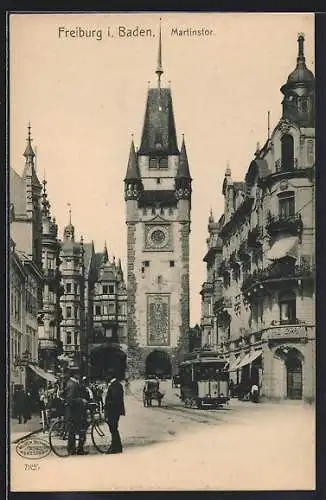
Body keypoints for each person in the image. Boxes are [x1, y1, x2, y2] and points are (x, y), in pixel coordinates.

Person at [63, 368, 89, 455]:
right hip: (74, 412)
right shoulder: (73, 384)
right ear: (75, 375)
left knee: (72, 431)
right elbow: (70, 399)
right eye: (79, 374)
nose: (80, 376)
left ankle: (72, 449)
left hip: (72, 412)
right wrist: (81, 400)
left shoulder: (71, 383)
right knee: (79, 431)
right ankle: (77, 449)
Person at [104, 371, 125, 454]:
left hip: (113, 410)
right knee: (113, 429)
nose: (106, 378)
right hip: (114, 410)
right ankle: (117, 446)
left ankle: (115, 447)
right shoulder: (115, 384)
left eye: (107, 376)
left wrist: (107, 405)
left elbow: (115, 399)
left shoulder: (115, 385)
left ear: (110, 376)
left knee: (113, 429)